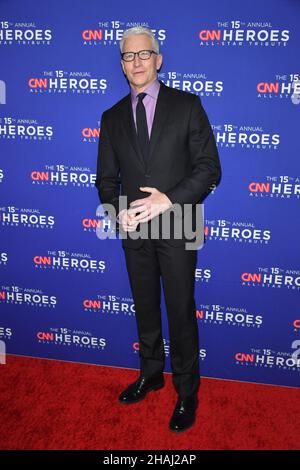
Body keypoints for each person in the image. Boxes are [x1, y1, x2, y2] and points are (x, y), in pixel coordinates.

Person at [95, 26, 221, 433]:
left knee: (181, 311)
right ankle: (151, 373)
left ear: (158, 59)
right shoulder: (111, 117)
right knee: (145, 306)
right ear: (121, 64)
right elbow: (105, 180)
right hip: (134, 231)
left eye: (144, 54)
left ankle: (187, 391)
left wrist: (168, 198)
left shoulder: (187, 106)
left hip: (180, 222)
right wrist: (118, 214)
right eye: (129, 56)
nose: (136, 62)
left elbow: (209, 169)